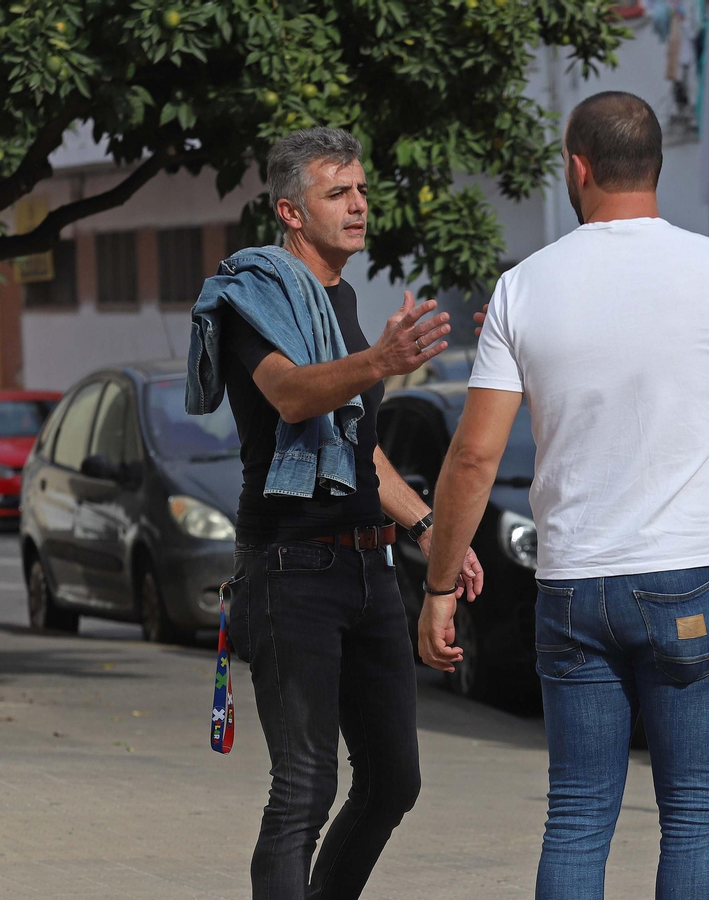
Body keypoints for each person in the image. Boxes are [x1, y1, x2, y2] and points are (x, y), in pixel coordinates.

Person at [418, 91, 709, 900]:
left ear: (576, 167)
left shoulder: (525, 287)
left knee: (575, 816)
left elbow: (473, 459)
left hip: (574, 582)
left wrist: (437, 587)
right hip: (693, 574)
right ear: (658, 165)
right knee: (699, 816)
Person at [185, 126, 484, 900]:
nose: (358, 206)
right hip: (292, 568)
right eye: (336, 194)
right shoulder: (255, 292)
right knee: (304, 788)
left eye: (360, 191)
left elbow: (357, 445)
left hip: (368, 566)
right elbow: (291, 396)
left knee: (392, 781)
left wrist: (428, 527)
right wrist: (379, 363)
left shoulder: (342, 299)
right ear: (290, 212)